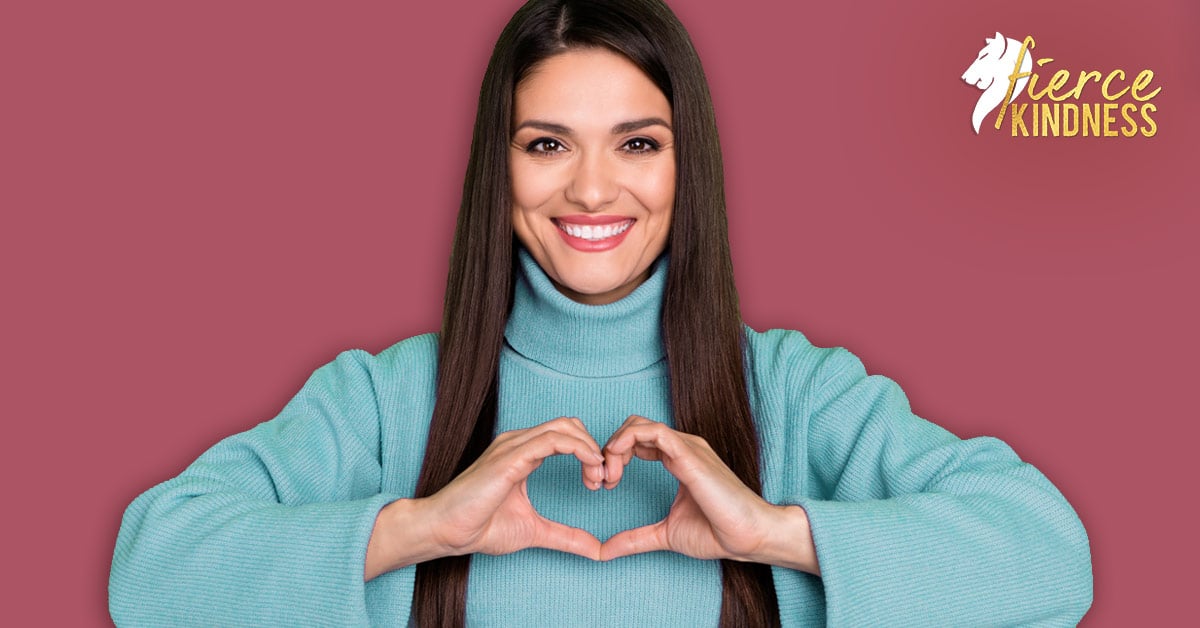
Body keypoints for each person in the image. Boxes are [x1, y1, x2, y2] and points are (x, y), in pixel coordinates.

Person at [108, 0, 1093, 625]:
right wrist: (416, 529)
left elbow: (1050, 553)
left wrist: (773, 534)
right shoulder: (385, 398)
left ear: (685, 166)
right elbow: (150, 573)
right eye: (546, 144)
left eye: (636, 144)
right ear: (498, 169)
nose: (589, 189)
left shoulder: (792, 390)